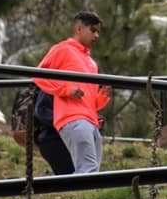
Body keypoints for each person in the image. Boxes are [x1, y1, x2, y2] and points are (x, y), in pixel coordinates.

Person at [33, 11, 111, 174]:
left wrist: (102, 97)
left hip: (91, 121)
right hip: (73, 119)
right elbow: (38, 75)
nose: (96, 35)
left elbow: (89, 101)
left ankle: (76, 191)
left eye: (98, 32)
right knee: (88, 169)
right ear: (79, 29)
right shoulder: (63, 49)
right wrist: (66, 89)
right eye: (93, 30)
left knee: (92, 171)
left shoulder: (91, 62)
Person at [33, 89, 74, 175]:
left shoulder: (83, 85)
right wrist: (66, 122)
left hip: (72, 138)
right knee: (69, 176)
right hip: (53, 139)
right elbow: (41, 110)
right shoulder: (52, 84)